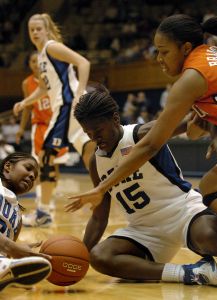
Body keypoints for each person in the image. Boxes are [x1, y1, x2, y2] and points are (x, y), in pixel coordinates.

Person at [63, 15, 217, 288]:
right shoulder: (214, 57)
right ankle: (202, 268)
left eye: (164, 51)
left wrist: (101, 187)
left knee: (211, 210)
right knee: (213, 185)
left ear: (185, 48)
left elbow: (153, 143)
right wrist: (214, 130)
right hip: (146, 230)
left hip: (182, 212)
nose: (158, 59)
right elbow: (199, 123)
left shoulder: (191, 78)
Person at [13, 13, 96, 227]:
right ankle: (105, 194)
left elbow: (83, 62)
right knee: (90, 153)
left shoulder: (51, 47)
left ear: (47, 30)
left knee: (46, 156)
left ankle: (44, 213)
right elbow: (43, 88)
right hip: (66, 106)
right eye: (31, 30)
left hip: (68, 105)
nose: (35, 33)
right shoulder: (42, 56)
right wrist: (25, 103)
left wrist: (78, 94)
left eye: (39, 28)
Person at [16, 51, 69, 225]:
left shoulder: (54, 79)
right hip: (39, 127)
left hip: (56, 126)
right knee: (41, 166)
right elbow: (27, 108)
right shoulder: (27, 83)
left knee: (55, 165)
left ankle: (48, 200)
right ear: (29, 64)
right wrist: (21, 128)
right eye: (31, 61)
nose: (35, 64)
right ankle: (42, 204)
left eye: (37, 61)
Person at [0, 152, 51, 291]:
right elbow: (8, 247)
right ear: (8, 166)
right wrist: (11, 247)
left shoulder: (17, 215)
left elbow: (8, 248)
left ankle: (9, 270)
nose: (32, 176)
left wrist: (20, 252)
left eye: (34, 177)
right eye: (28, 168)